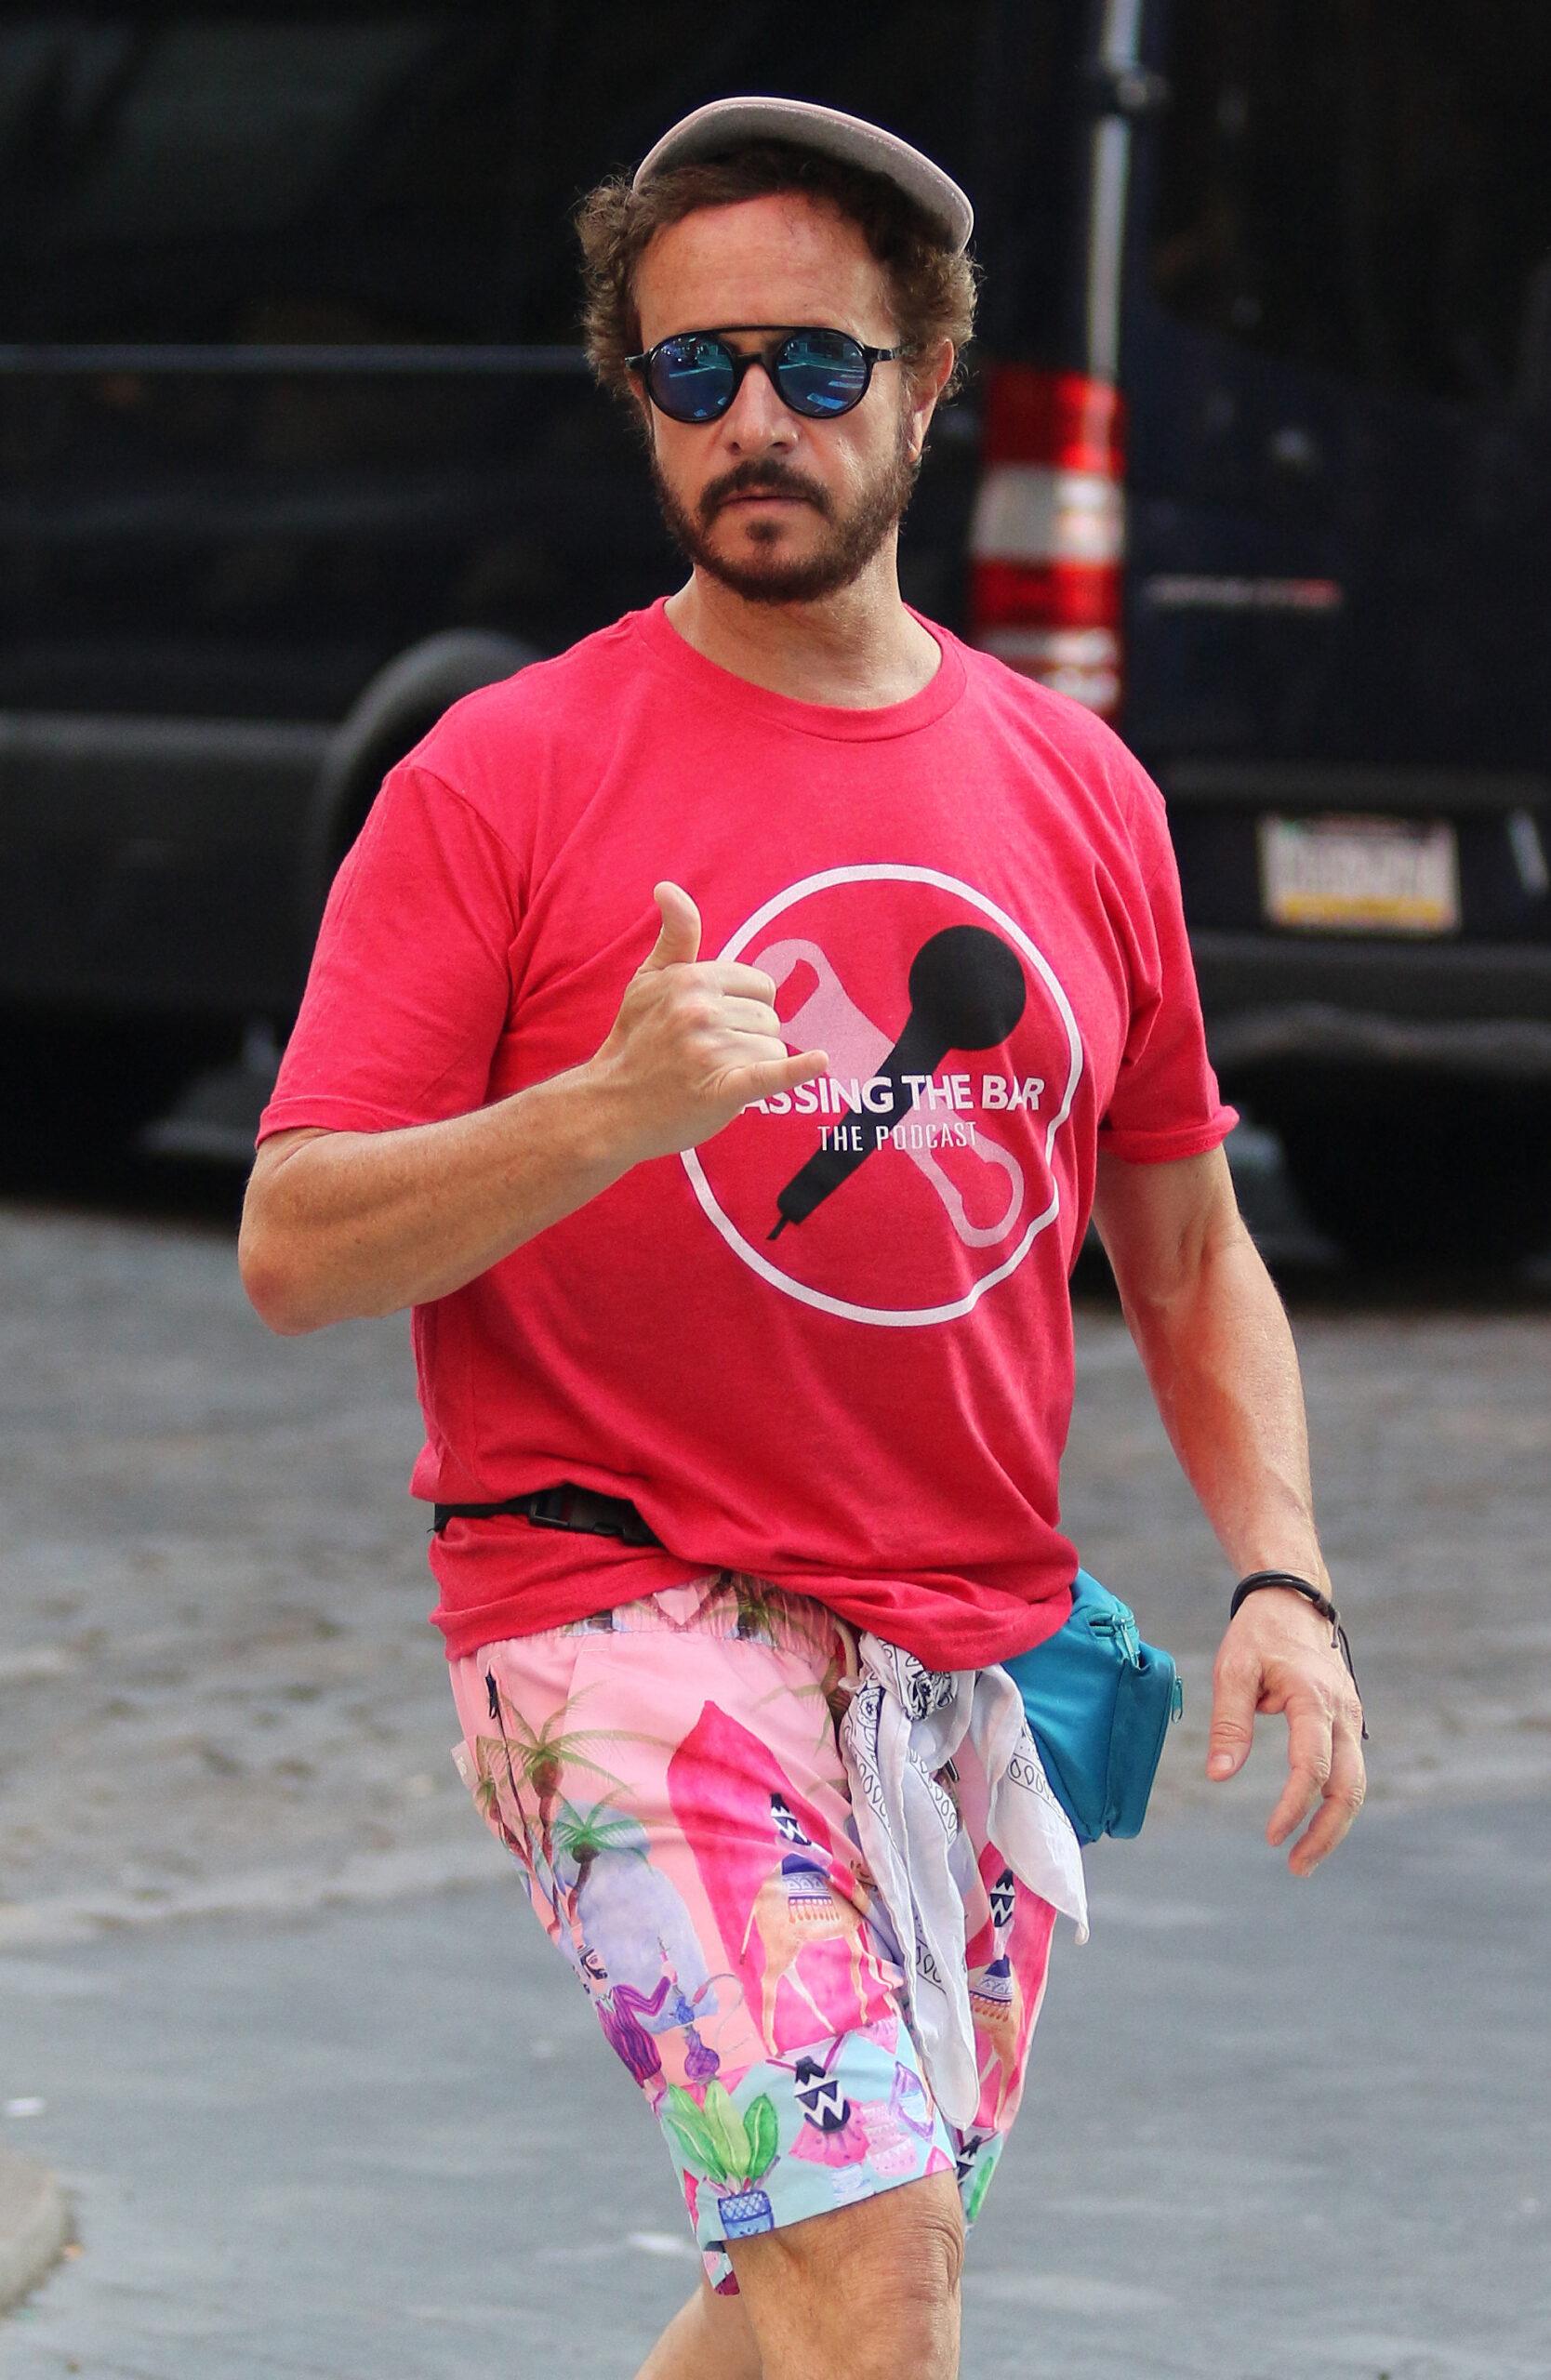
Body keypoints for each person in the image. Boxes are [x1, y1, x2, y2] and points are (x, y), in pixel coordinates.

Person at [239, 96, 1367, 2380]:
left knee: (815, 2284)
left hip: (966, 1659)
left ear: (926, 387)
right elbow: (292, 1235)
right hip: (616, 1616)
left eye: (816, 368)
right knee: (874, 2276)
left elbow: (1182, 1232)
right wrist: (608, 1108)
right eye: (692, 373)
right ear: (638, 398)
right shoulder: (503, 774)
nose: (753, 421)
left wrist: (1285, 1574)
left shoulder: (1078, 792)